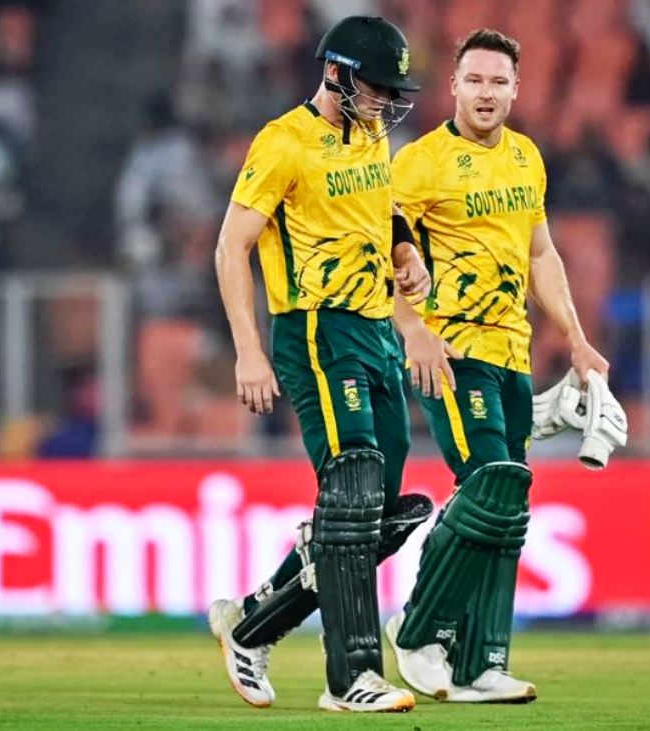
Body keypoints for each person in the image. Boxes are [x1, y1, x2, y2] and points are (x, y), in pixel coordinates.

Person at [208, 16, 430, 713]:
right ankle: (351, 677)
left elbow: (383, 211)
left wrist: (405, 253)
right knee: (354, 486)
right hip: (315, 328)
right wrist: (249, 349)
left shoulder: (371, 133)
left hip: (375, 330)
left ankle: (252, 625)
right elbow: (231, 246)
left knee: (374, 515)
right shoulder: (283, 142)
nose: (385, 101)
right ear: (335, 73)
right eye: (376, 87)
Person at [386, 28, 611, 703]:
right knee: (490, 483)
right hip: (453, 351)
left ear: (516, 89)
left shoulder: (526, 158)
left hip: (513, 351)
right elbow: (378, 249)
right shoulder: (419, 164)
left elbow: (541, 254)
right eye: (475, 80)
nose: (486, 92)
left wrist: (576, 338)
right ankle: (419, 633)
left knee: (508, 502)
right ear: (454, 86)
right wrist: (413, 330)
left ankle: (483, 660)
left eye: (498, 81)